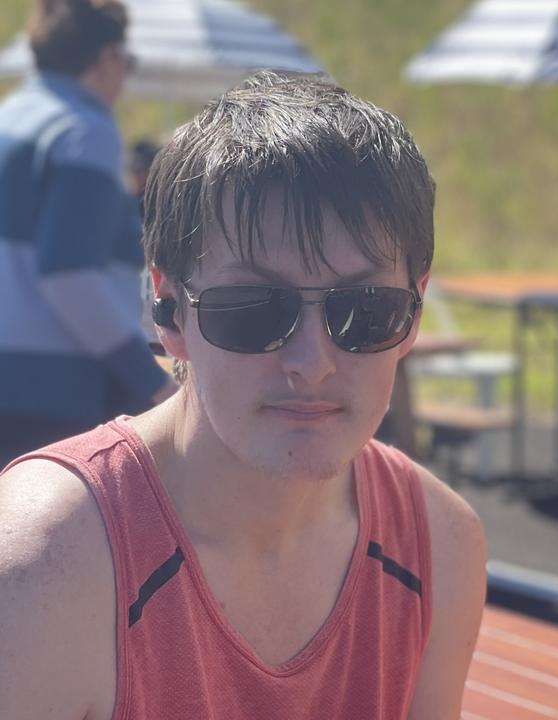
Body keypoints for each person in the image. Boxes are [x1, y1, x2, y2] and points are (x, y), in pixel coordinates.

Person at [0, 71, 487, 719]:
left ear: (416, 310)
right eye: (254, 310)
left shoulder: (441, 541)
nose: (311, 365)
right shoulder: (47, 563)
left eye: (366, 311)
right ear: (167, 311)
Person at [0, 0, 176, 466]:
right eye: (127, 60)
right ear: (106, 57)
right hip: (50, 392)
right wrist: (152, 381)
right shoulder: (84, 130)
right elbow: (69, 276)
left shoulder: (11, 118)